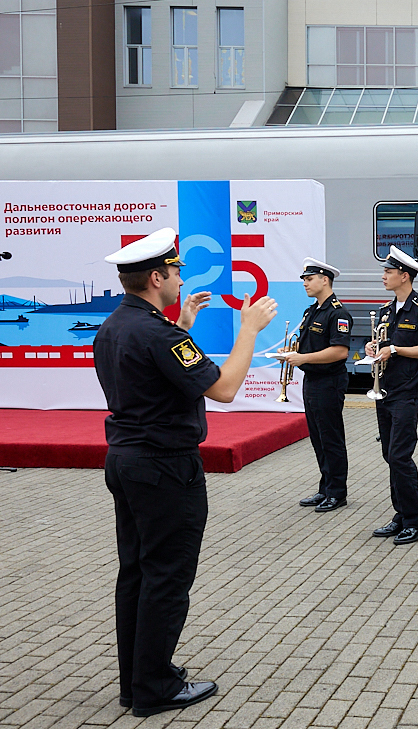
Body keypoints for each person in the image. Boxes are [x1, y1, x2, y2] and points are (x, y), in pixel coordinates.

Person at [95, 227, 277, 717]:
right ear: (156, 277)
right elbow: (221, 389)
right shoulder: (161, 333)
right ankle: (154, 687)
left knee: (136, 571)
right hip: (164, 468)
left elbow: (156, 373)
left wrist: (183, 325)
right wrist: (249, 330)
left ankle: (137, 680)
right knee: (168, 576)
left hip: (127, 461)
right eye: (175, 272)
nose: (179, 278)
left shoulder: (117, 324)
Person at [367, 246, 418, 546]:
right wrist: (375, 349)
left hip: (408, 392)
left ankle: (415, 520)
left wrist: (396, 349)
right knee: (389, 455)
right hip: (385, 390)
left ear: (405, 276)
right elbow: (382, 344)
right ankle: (400, 514)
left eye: (389, 271)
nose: (384, 276)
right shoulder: (387, 311)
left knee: (400, 456)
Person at [288, 258, 352, 513]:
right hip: (312, 380)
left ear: (325, 280)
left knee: (331, 438)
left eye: (309, 278)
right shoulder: (312, 311)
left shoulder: (338, 313)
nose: (305, 283)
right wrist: (291, 352)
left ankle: (337, 493)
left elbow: (339, 352)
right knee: (318, 438)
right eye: (305, 279)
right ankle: (325, 487)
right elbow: (308, 346)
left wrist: (302, 358)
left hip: (329, 382)